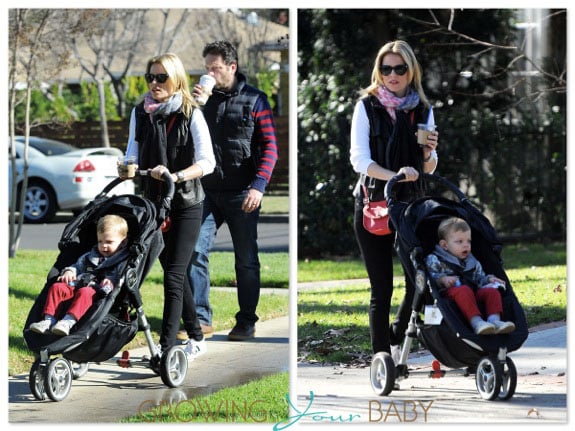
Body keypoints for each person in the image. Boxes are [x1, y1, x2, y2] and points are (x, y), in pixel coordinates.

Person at [120, 52, 216, 359]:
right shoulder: (141, 112)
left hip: (187, 201)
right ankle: (197, 337)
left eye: (161, 77)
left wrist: (176, 175)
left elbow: (207, 162)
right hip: (153, 203)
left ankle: (167, 347)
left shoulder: (190, 112)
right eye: (150, 77)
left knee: (175, 274)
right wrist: (126, 166)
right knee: (172, 270)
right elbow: (131, 151)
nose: (155, 83)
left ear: (176, 79)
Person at [349, 40, 439, 359]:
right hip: (374, 203)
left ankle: (398, 331)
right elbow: (359, 160)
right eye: (386, 69)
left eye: (399, 68)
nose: (392, 75)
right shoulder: (367, 107)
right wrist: (395, 175)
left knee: (418, 278)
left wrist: (428, 154)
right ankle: (381, 354)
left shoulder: (422, 110)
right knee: (382, 287)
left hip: (412, 205)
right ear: (379, 71)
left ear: (410, 70)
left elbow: (429, 166)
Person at [185, 40, 278, 341]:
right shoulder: (199, 101)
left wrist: (258, 187)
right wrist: (194, 105)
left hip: (243, 192)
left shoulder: (255, 100)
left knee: (246, 259)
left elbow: (270, 149)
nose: (209, 73)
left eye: (215, 68)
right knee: (194, 250)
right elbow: (186, 140)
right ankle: (201, 318)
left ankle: (246, 321)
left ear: (232, 67)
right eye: (206, 68)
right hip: (207, 191)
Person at [29, 215, 129, 336]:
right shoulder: (90, 255)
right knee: (57, 287)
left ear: (123, 242)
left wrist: (111, 281)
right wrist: (70, 271)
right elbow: (77, 266)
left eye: (109, 242)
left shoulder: (122, 261)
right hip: (77, 284)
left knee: (85, 292)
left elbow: (120, 278)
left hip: (97, 292)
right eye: (100, 241)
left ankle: (67, 322)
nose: (103, 246)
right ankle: (48, 320)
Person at [425, 217, 516, 335]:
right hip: (449, 294)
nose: (466, 245)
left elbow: (479, 278)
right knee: (463, 290)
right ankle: (477, 323)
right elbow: (429, 278)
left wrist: (489, 279)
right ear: (444, 245)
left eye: (468, 241)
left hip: (472, 291)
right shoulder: (435, 259)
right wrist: (442, 279)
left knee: (491, 291)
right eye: (460, 242)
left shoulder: (471, 261)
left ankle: (495, 321)